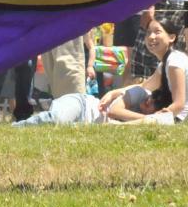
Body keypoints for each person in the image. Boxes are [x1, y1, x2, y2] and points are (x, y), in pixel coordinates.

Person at [99, 12, 186, 125]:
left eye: (157, 32)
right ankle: (123, 123)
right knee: (135, 94)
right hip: (166, 117)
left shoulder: (175, 61)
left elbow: (179, 104)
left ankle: (121, 126)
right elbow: (145, 86)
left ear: (172, 37)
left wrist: (158, 118)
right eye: (148, 32)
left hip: (178, 118)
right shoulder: (165, 63)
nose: (151, 37)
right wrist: (113, 93)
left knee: (118, 117)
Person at [12, 86, 154, 126]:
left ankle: (47, 101)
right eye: (152, 97)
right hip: (83, 104)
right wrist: (148, 119)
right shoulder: (140, 92)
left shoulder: (143, 124)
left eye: (155, 104)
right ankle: (16, 128)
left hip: (85, 123)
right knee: (56, 120)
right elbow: (114, 112)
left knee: (59, 127)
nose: (149, 101)